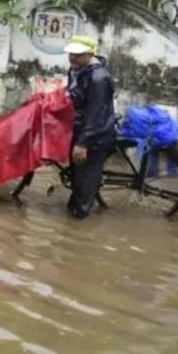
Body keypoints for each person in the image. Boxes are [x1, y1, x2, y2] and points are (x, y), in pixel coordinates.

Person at [64, 34, 116, 218]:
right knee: (77, 177)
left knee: (84, 181)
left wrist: (83, 143)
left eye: (77, 54)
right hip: (80, 129)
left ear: (90, 54)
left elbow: (96, 114)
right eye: (71, 53)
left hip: (95, 136)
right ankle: (74, 210)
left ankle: (78, 223)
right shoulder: (76, 70)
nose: (72, 58)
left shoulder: (98, 78)